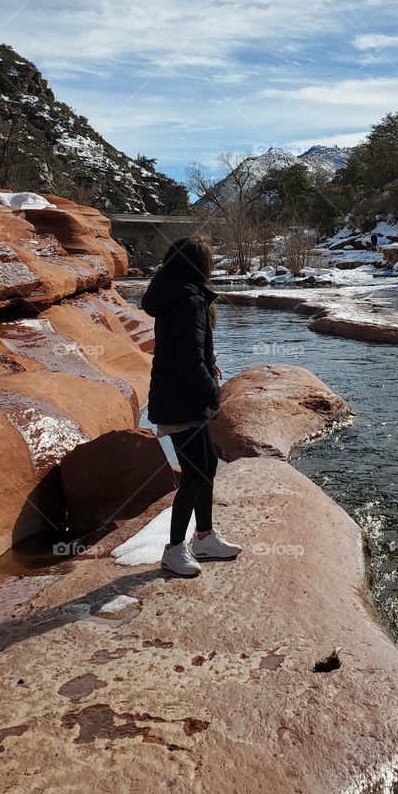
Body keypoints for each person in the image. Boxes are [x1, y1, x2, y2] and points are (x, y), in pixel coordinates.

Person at [141, 237, 240, 577]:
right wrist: (212, 392)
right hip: (181, 400)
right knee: (197, 473)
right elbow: (187, 361)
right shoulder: (188, 298)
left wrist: (208, 365)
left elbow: (187, 350)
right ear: (201, 265)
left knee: (207, 465)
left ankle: (205, 537)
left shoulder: (174, 290)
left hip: (178, 395)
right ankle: (173, 550)